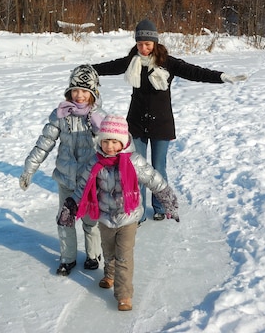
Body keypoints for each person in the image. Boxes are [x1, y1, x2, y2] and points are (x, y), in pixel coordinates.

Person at [91, 19, 247, 223]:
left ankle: (159, 206)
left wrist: (221, 77)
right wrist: (87, 69)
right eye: (140, 44)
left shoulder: (168, 62)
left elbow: (195, 72)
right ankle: (136, 208)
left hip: (161, 123)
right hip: (136, 122)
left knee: (158, 167)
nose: (144, 48)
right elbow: (110, 67)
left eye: (147, 44)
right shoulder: (132, 61)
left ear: (155, 43)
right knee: (134, 168)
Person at [56, 114, 180, 311]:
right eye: (106, 141)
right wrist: (70, 207)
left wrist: (168, 200)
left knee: (123, 255)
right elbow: (82, 188)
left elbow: (154, 179)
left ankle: (123, 295)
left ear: (122, 142)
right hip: (105, 217)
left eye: (115, 142)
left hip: (128, 217)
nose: (110, 147)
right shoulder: (94, 163)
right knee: (108, 251)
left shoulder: (133, 161)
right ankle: (110, 274)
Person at [19, 64, 105, 276]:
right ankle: (68, 258)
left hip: (90, 180)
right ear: (69, 91)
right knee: (65, 219)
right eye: (76, 90)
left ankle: (93, 255)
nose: (80, 95)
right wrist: (29, 168)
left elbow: (113, 146)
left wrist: (99, 129)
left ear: (93, 93)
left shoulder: (99, 116)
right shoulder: (60, 115)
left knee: (90, 219)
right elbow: (44, 143)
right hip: (66, 179)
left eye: (85, 91)